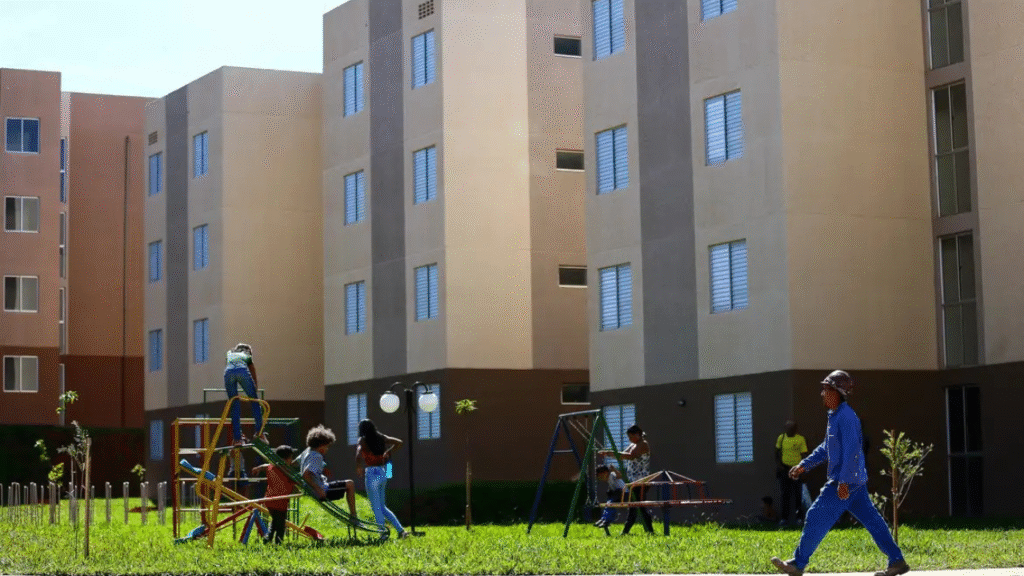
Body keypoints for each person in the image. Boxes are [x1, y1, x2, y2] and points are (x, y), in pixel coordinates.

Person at [771, 370, 910, 576]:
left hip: (844, 482)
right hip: (854, 483)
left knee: (816, 516)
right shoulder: (835, 416)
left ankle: (798, 564)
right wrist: (804, 465)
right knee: (872, 520)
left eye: (826, 389)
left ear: (838, 392)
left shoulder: (846, 417)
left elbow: (853, 452)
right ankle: (897, 561)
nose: (822, 393)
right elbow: (827, 447)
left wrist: (843, 482)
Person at [354, 419, 408, 539]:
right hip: (383, 472)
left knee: (376, 507)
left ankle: (383, 534)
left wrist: (358, 467)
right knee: (382, 506)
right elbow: (399, 442)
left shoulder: (362, 440)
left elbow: (358, 454)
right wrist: (387, 452)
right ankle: (401, 531)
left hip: (371, 473)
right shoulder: (381, 437)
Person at [597, 424, 654, 535]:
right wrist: (609, 453)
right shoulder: (633, 444)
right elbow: (622, 454)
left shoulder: (643, 444)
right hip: (633, 482)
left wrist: (609, 453)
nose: (629, 439)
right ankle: (647, 531)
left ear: (638, 434)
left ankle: (626, 532)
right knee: (638, 507)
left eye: (631, 436)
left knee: (636, 507)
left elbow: (630, 456)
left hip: (641, 481)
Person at [296, 425, 358, 519]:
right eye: (327, 446)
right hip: (321, 491)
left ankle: (353, 515)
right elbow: (305, 474)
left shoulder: (307, 451)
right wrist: (318, 489)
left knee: (347, 483)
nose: (327, 449)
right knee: (350, 484)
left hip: (311, 489)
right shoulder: (317, 456)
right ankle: (354, 515)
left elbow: (295, 462)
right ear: (321, 445)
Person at [251, 445, 297, 544]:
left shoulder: (271, 467)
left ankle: (268, 538)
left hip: (269, 501)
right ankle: (277, 542)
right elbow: (296, 480)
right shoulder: (286, 471)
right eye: (290, 458)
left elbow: (265, 466)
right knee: (280, 525)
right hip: (280, 502)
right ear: (285, 459)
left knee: (276, 521)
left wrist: (258, 468)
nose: (291, 460)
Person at [223, 343, 264, 446]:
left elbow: (229, 366)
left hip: (228, 373)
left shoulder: (229, 353)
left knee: (234, 404)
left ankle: (237, 439)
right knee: (254, 402)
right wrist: (255, 388)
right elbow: (252, 371)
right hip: (242, 371)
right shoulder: (247, 355)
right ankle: (260, 432)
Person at [776, 420, 808, 526]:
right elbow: (777, 452)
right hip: (785, 470)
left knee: (798, 495)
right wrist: (779, 466)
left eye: (791, 428)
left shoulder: (800, 439)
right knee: (785, 495)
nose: (789, 430)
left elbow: (804, 455)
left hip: (796, 470)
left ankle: (799, 518)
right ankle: (784, 519)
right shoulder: (781, 438)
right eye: (787, 428)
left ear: (795, 429)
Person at [594, 464, 625, 529]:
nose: (601, 477)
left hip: (623, 493)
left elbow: (619, 476)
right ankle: (603, 519)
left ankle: (607, 520)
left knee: (610, 504)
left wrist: (614, 469)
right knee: (608, 504)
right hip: (617, 492)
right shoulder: (607, 478)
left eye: (601, 475)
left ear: (605, 472)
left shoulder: (612, 474)